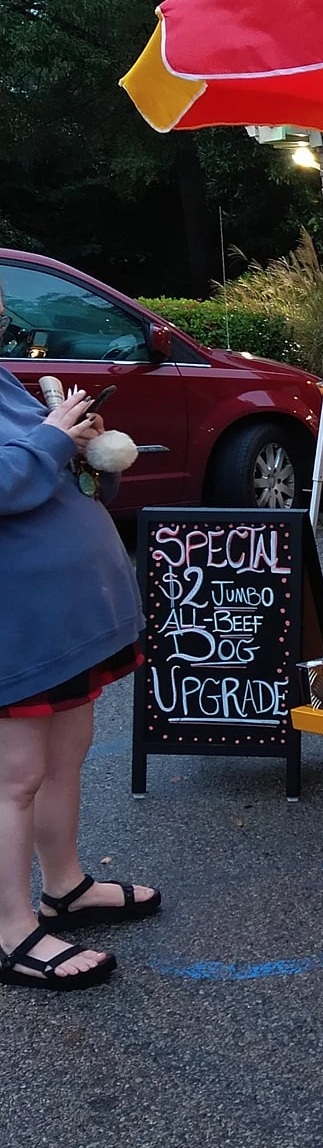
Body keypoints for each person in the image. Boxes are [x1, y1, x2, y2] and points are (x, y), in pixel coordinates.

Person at [0, 337, 159, 991]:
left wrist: (89, 450)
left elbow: (55, 475)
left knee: (66, 754)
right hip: (17, 628)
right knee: (15, 777)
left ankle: (64, 888)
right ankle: (9, 932)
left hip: (61, 623)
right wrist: (51, 441)